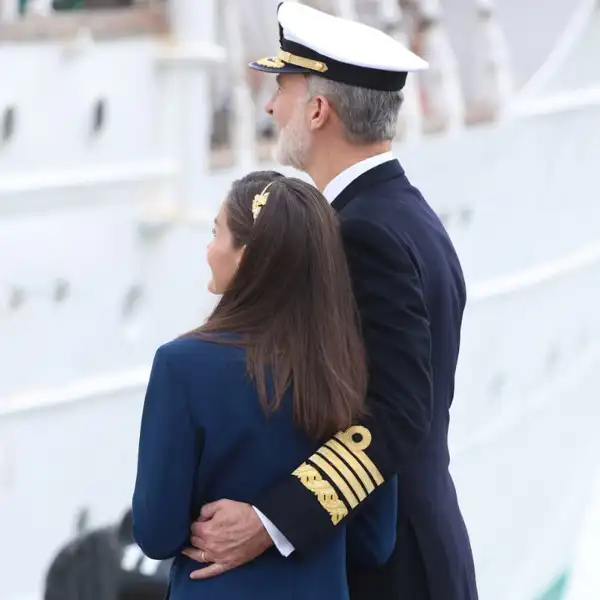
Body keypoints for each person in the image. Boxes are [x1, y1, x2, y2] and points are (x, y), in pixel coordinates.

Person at [184, 4, 479, 600]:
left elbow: (396, 411)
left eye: (281, 89)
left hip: (391, 567)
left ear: (318, 109)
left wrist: (269, 522)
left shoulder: (360, 234)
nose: (269, 107)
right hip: (416, 551)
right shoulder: (408, 214)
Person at [131, 171, 398, 600]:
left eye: (217, 232)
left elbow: (156, 533)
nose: (209, 248)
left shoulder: (182, 366)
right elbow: (375, 542)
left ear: (247, 256)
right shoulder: (350, 367)